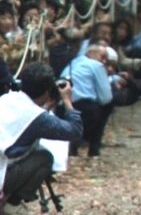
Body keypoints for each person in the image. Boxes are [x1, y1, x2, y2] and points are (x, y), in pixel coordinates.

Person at [1, 62, 82, 207]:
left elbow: (27, 120)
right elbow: (74, 131)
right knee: (44, 157)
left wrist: (45, 108)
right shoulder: (38, 118)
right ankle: (12, 203)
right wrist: (67, 100)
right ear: (47, 91)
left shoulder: (7, 99)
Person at [59, 44, 113, 157]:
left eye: (106, 59)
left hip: (62, 105)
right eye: (102, 56)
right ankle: (94, 149)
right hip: (85, 107)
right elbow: (106, 97)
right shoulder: (96, 65)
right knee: (108, 105)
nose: (104, 61)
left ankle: (73, 146)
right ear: (90, 54)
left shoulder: (72, 63)